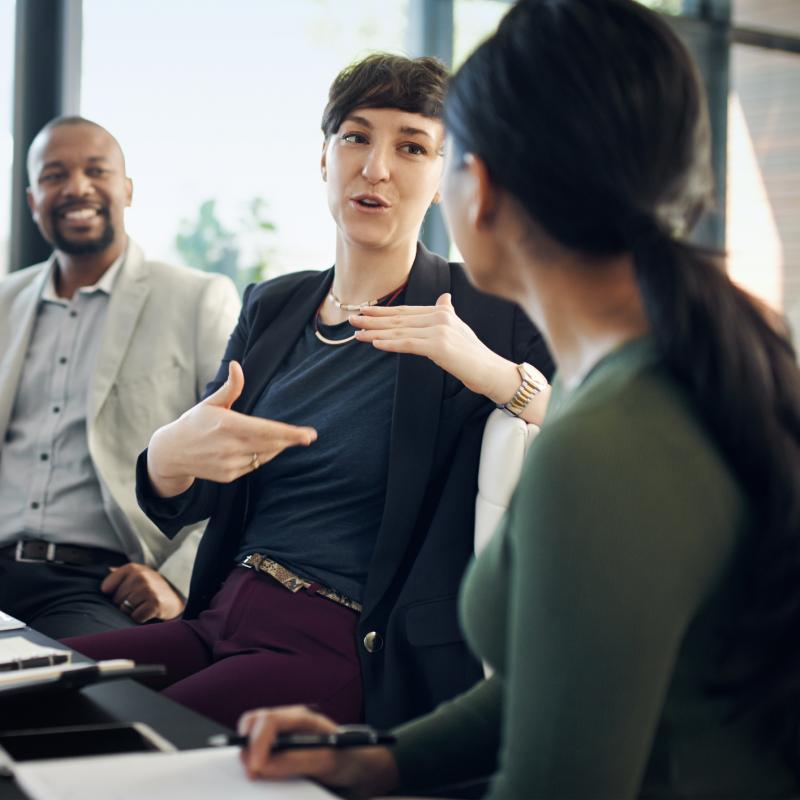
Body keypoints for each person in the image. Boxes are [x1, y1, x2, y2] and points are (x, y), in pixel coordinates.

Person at [231, 1, 800, 798]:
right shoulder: (687, 375)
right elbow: (559, 688)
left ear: (481, 189)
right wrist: (385, 759)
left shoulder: (606, 441)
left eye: (429, 150)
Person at [65, 54, 554, 731]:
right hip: (217, 616)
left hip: (344, 644)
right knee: (30, 694)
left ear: (445, 178)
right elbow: (193, 491)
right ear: (324, 158)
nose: (375, 168)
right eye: (356, 137)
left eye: (412, 146)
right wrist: (166, 454)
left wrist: (490, 371)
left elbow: (590, 424)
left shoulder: (486, 307)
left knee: (121, 747)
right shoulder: (274, 305)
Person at [0, 117, 241, 638]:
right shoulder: (3, 303)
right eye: (54, 175)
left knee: (78, 683)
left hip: (98, 584)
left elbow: (240, 461)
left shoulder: (197, 300)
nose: (77, 187)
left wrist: (178, 579)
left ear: (127, 190)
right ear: (33, 200)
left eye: (96, 170)